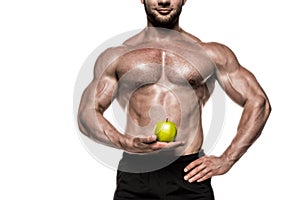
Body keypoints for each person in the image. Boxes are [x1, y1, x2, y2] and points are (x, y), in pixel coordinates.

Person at [77, 0, 271, 199]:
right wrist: (124, 141)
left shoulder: (209, 53)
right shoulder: (117, 55)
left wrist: (227, 159)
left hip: (189, 173)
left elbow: (258, 102)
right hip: (136, 173)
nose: (163, 0)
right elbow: (87, 113)